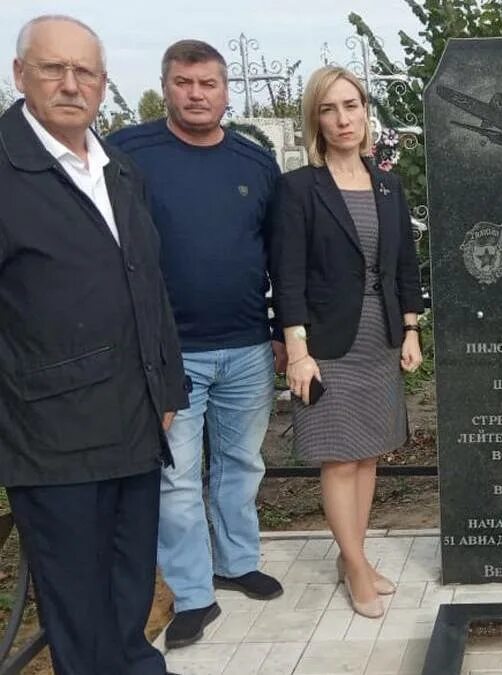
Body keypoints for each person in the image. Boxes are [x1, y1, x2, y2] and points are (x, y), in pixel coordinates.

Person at [0, 15, 188, 675]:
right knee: (79, 612)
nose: (71, 84)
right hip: (52, 439)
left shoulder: (119, 171)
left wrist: (167, 387)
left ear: (104, 84)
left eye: (86, 72)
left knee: (130, 589)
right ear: (21, 75)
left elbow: (148, 283)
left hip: (132, 423)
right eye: (55, 69)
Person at [107, 39, 286, 649]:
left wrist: (286, 334)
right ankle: (191, 594)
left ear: (226, 90)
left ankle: (236, 562)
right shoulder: (128, 154)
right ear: (166, 86)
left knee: (240, 464)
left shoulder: (254, 162)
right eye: (183, 82)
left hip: (245, 345)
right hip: (168, 351)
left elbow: (277, 252)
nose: (196, 94)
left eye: (208, 83)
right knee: (176, 479)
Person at [269, 66, 424, 619]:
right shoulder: (298, 188)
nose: (343, 118)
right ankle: (356, 566)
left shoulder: (388, 184)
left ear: (365, 112)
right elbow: (285, 275)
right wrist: (298, 350)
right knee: (338, 460)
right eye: (330, 108)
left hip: (379, 339)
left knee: (369, 456)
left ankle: (350, 556)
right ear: (317, 117)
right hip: (326, 346)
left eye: (352, 105)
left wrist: (410, 329)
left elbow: (405, 265)